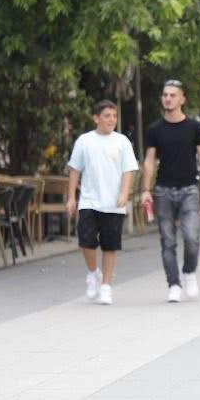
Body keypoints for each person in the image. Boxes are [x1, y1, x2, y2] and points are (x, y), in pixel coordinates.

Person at [140, 80, 200, 303]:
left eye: (172, 95)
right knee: (167, 241)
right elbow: (149, 161)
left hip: (189, 188)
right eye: (165, 95)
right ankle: (173, 283)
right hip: (163, 190)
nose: (167, 98)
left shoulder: (194, 127)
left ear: (182, 99)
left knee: (192, 237)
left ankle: (189, 271)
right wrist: (145, 190)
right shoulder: (155, 129)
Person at [67, 100, 139, 305]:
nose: (111, 120)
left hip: (113, 202)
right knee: (86, 240)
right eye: (107, 116)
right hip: (89, 200)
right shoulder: (84, 141)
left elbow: (128, 170)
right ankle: (93, 273)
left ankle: (106, 285)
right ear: (96, 118)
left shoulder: (122, 141)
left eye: (114, 116)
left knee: (110, 245)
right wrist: (71, 197)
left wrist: (124, 193)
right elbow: (74, 169)